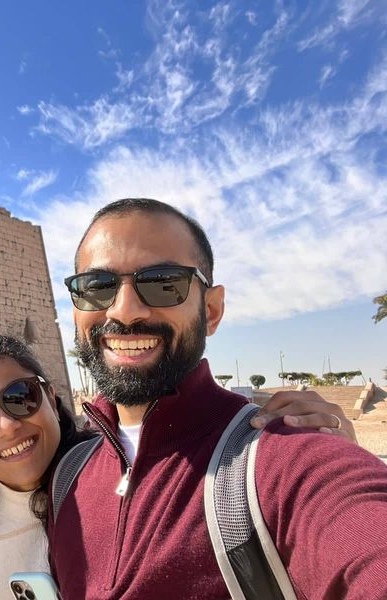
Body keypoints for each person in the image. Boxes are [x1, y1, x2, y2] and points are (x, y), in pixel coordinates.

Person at [49, 198, 387, 598]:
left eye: (163, 283)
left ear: (211, 310)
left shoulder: (281, 459)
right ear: (75, 312)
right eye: (97, 287)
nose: (124, 311)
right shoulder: (66, 474)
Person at [0, 334, 353, 600]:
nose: (9, 425)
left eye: (20, 397)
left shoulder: (135, 490)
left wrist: (328, 451)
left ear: (52, 398)